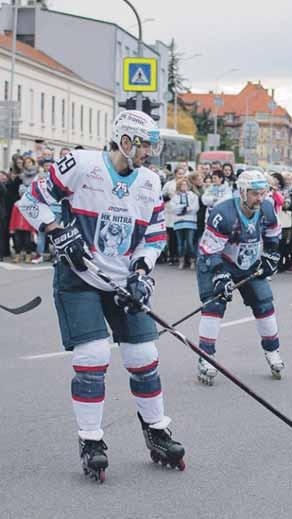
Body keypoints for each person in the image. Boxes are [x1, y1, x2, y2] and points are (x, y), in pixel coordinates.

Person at [16, 110, 185, 480]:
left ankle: (157, 431)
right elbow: (29, 200)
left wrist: (142, 273)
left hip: (123, 280)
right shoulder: (81, 164)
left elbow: (155, 235)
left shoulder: (151, 182)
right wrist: (56, 230)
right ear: (126, 141)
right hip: (80, 275)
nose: (150, 155)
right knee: (92, 355)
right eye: (145, 147)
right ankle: (91, 440)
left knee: (144, 354)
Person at [195, 170, 283, 384]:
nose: (260, 198)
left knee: (264, 304)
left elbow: (274, 235)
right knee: (214, 305)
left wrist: (271, 256)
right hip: (216, 259)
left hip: (249, 262)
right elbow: (209, 250)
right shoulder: (222, 213)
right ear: (242, 192)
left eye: (263, 193)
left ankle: (272, 351)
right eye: (255, 193)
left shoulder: (267, 209)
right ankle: (206, 357)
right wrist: (220, 276)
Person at [170, 177, 199, 270]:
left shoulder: (193, 195)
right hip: (178, 222)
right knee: (180, 243)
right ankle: (181, 260)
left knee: (190, 242)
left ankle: (192, 260)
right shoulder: (175, 197)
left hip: (190, 221)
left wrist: (184, 209)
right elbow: (173, 208)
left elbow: (195, 208)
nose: (184, 186)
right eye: (182, 184)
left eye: (185, 184)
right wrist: (184, 207)